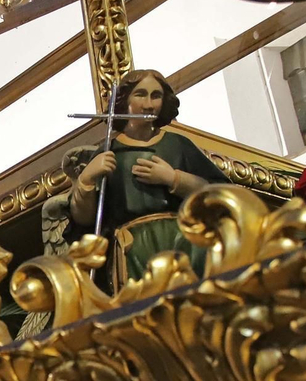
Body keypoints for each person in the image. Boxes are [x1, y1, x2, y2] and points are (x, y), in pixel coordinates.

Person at [66, 70, 227, 287]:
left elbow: (220, 194)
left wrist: (173, 179)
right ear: (124, 102)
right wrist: (86, 179)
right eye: (140, 95)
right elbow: (85, 220)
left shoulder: (177, 145)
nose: (149, 104)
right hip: (133, 248)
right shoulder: (109, 151)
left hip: (182, 241)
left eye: (156, 96)